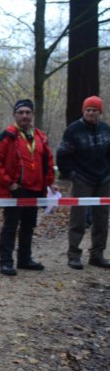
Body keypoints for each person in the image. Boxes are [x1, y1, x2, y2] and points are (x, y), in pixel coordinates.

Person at [0, 99, 57, 276]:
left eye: (28, 112)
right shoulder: (6, 136)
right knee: (10, 226)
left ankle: (24, 259)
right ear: (14, 115)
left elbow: (48, 161)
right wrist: (9, 183)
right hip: (15, 190)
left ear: (32, 115)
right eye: (21, 112)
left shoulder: (40, 136)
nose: (24, 116)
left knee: (28, 225)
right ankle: (6, 262)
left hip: (35, 189)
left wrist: (49, 183)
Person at [56, 95, 110, 270]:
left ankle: (97, 254)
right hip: (82, 179)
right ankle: (74, 255)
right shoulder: (73, 130)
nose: (91, 113)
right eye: (88, 110)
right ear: (83, 111)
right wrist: (70, 175)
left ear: (100, 112)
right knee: (78, 218)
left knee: (102, 219)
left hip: (104, 179)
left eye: (94, 110)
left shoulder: (105, 129)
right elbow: (62, 154)